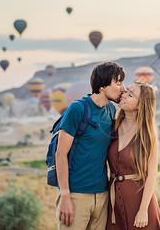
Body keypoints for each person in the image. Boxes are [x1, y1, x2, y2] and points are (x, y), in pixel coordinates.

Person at [55, 62, 125, 229]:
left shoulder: (110, 110)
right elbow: (60, 154)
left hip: (102, 195)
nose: (123, 88)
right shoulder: (78, 109)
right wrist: (65, 196)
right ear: (102, 86)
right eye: (118, 83)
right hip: (76, 194)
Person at [107, 81, 160, 229]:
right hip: (113, 205)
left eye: (130, 95)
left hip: (139, 203)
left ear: (140, 105)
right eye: (126, 91)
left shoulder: (147, 134)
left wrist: (143, 210)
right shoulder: (112, 126)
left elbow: (152, 175)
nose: (123, 95)